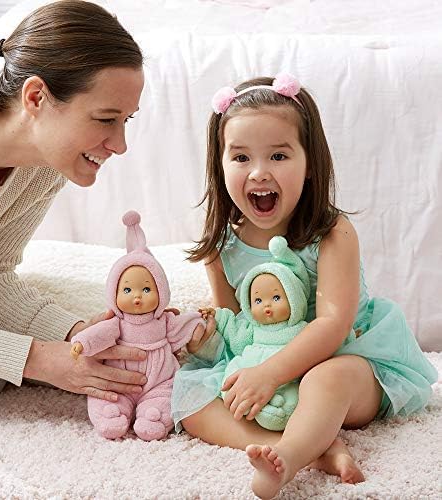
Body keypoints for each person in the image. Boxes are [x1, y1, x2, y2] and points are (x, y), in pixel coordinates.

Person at [171, 73, 438, 498]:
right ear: (220, 166)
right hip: (269, 372)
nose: (259, 172)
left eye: (278, 155)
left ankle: (290, 458)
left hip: (344, 357)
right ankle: (315, 448)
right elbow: (235, 328)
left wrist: (269, 374)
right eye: (241, 157)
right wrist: (205, 339)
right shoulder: (222, 246)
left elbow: (333, 323)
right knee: (191, 403)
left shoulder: (331, 233)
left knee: (326, 380)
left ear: (310, 163)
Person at [0, 1, 148, 404]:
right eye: (106, 119)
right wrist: (33, 359)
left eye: (126, 120)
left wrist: (74, 337)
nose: (120, 145)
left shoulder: (45, 164)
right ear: (35, 97)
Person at [70, 211, 206, 441]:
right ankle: (111, 415)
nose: (137, 296)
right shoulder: (116, 323)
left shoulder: (164, 320)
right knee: (107, 394)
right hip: (119, 380)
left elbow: (184, 325)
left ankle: (154, 416)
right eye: (127, 290)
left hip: (158, 381)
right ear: (113, 293)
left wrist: (198, 323)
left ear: (161, 292)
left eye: (146, 289)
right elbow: (100, 333)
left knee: (168, 391)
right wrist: (82, 342)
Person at [196, 235, 318, 431]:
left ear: (294, 298)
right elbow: (234, 334)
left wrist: (348, 336)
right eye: (258, 301)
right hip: (250, 372)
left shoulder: (301, 329)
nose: (267, 305)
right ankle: (242, 400)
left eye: (276, 298)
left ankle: (277, 412)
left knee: (302, 392)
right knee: (228, 377)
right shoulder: (253, 330)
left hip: (286, 377)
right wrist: (218, 316)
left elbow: (322, 341)